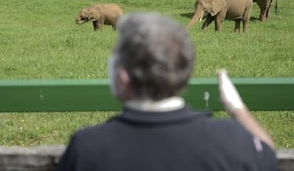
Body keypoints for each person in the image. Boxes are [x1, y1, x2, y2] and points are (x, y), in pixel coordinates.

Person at [55, 12, 277, 171]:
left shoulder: (87, 147)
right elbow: (267, 154)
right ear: (185, 72)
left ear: (123, 79)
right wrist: (237, 109)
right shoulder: (232, 141)